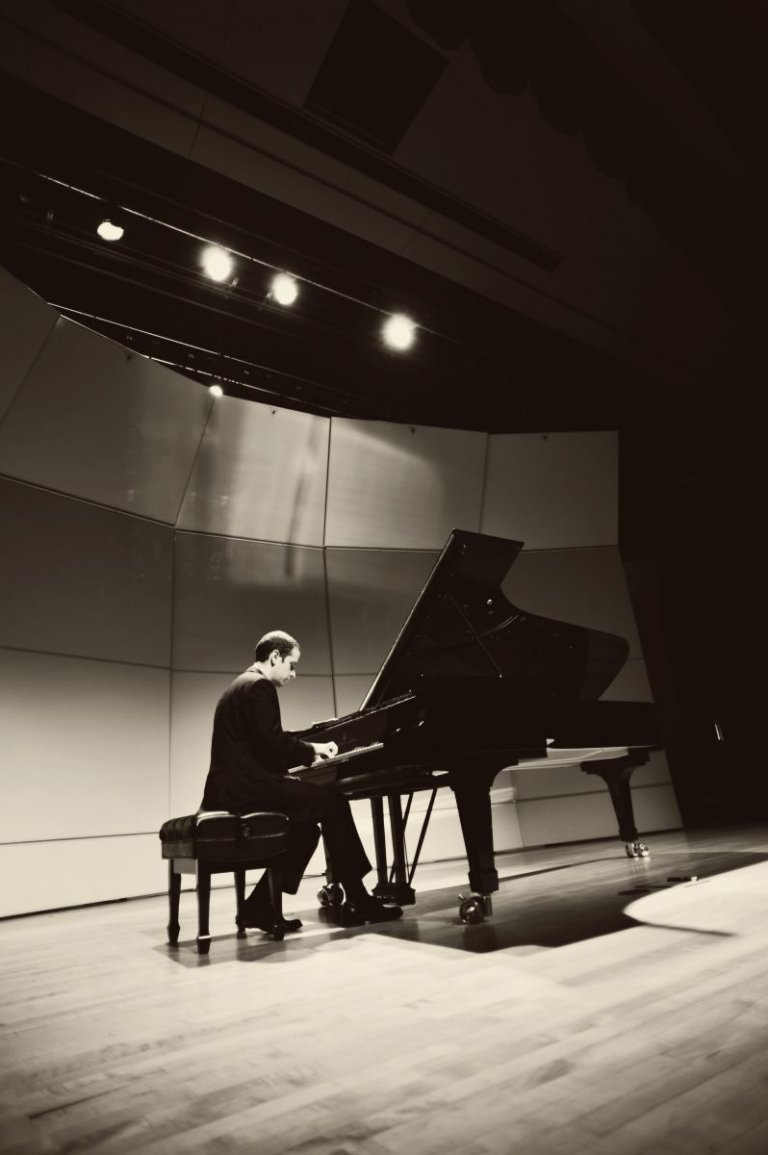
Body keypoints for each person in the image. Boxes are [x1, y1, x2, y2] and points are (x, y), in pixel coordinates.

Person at [200, 630, 403, 932]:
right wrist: (311, 750)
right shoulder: (260, 687)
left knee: (305, 830)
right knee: (333, 802)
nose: (294, 673)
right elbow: (273, 746)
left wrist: (307, 743)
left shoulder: (240, 685)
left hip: (231, 789)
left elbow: (265, 740)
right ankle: (358, 899)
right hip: (246, 789)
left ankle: (258, 907)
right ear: (274, 657)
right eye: (292, 665)